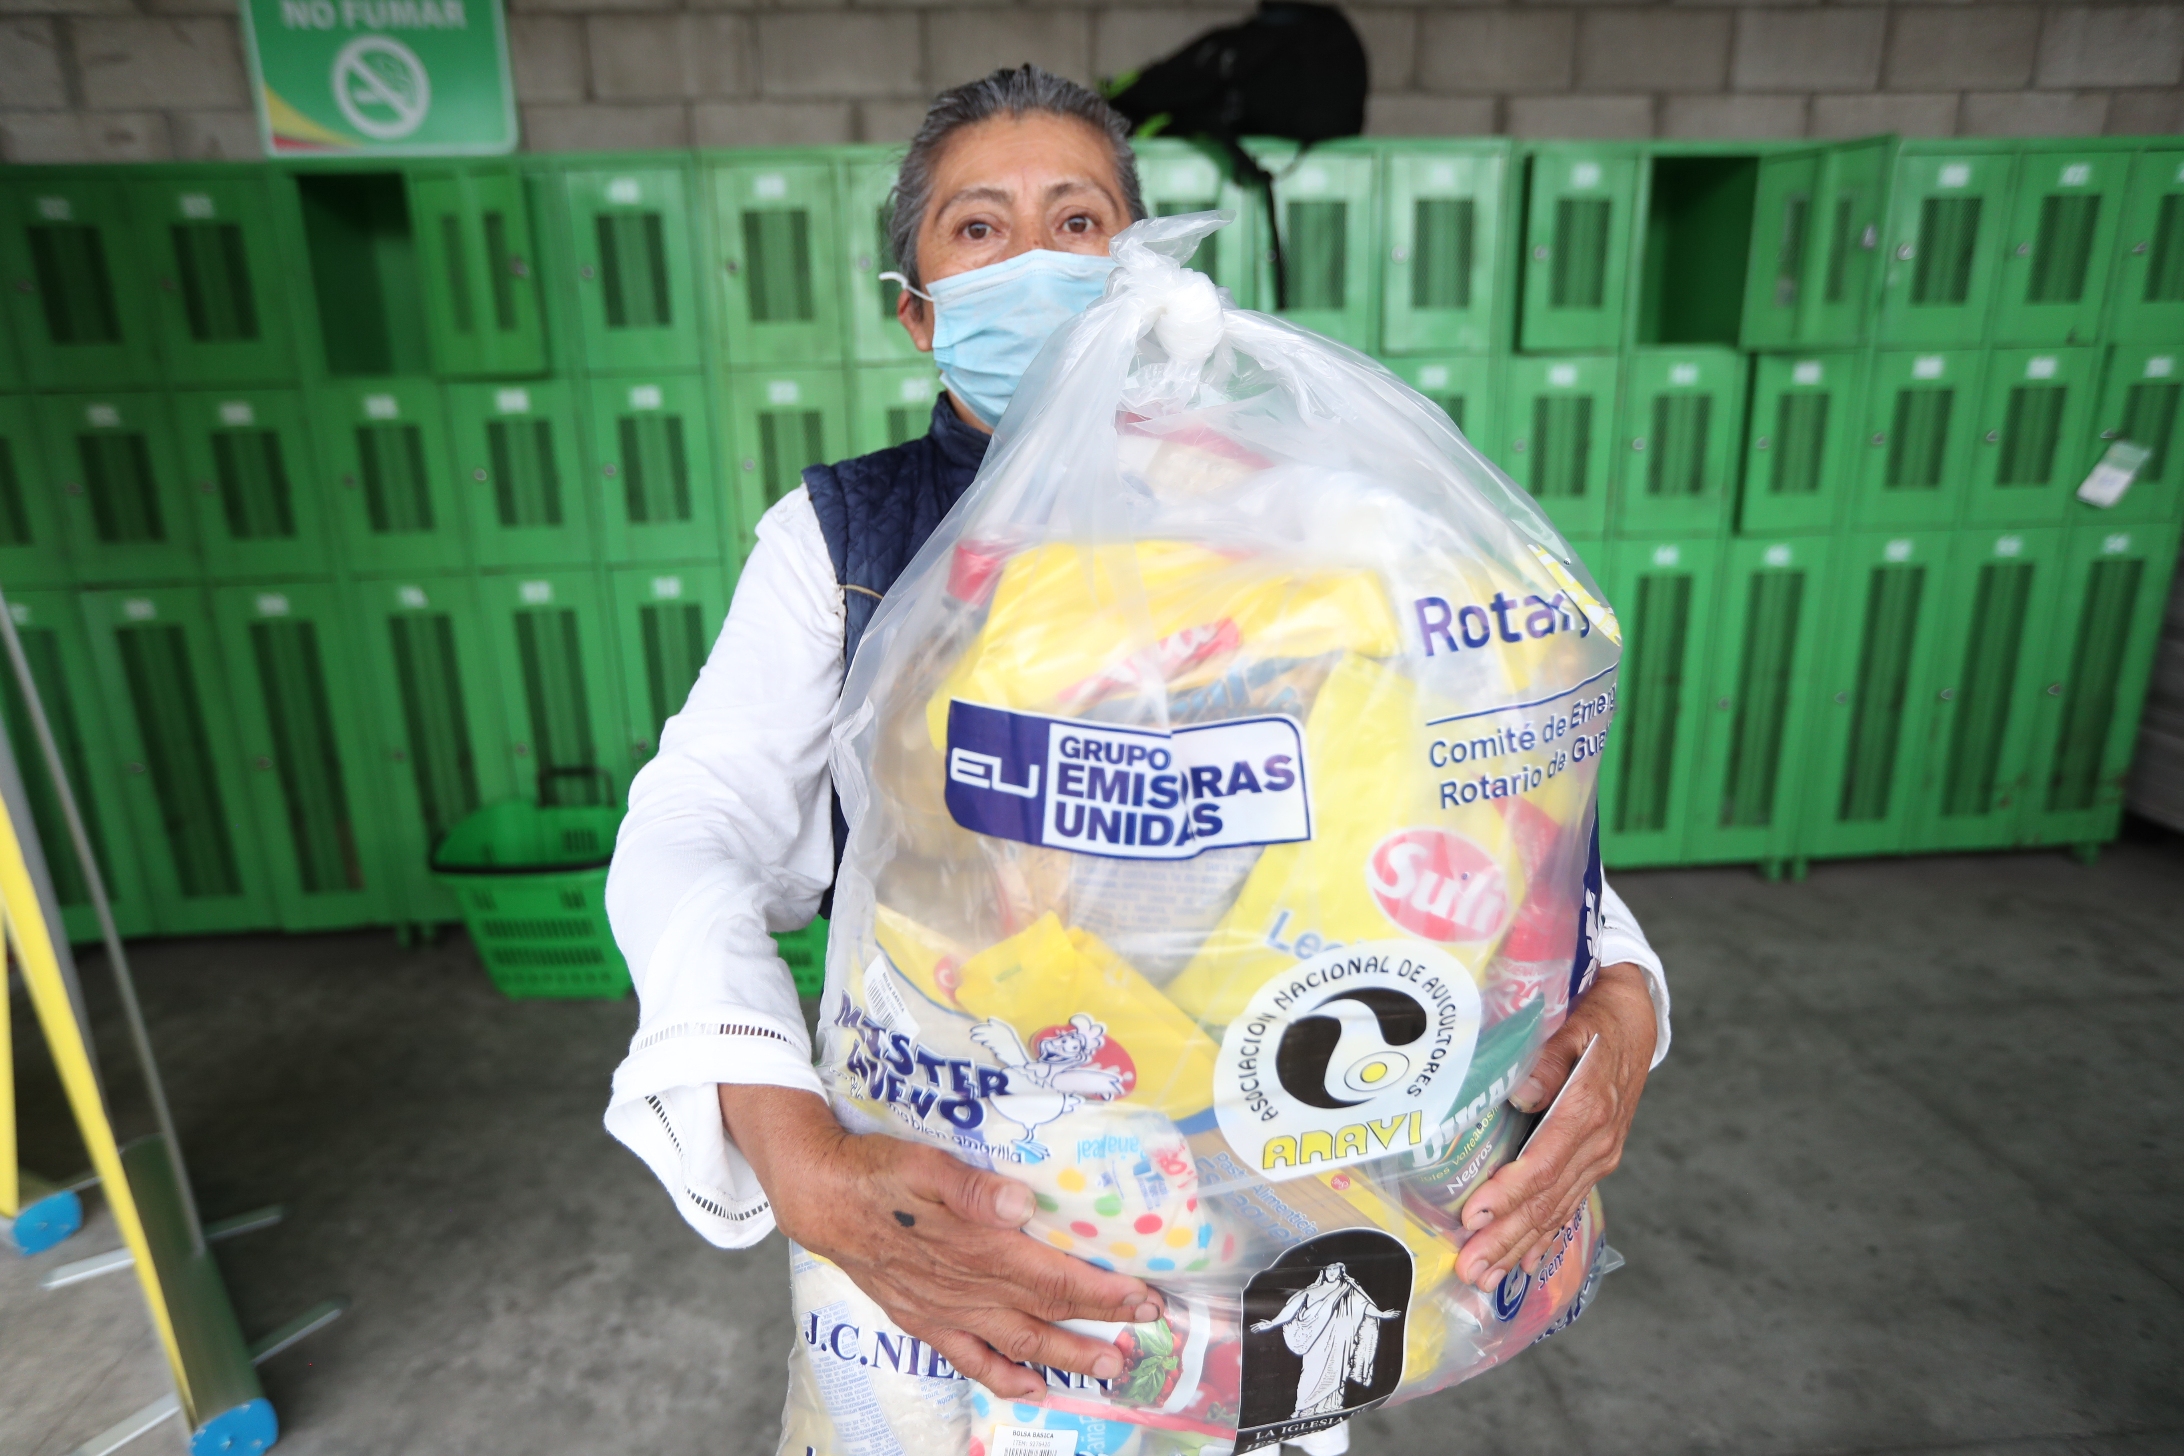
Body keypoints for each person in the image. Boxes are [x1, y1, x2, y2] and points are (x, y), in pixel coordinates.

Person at [604, 62, 1672, 1424]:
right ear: (916, 307)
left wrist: (1625, 991)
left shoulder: (1270, 535)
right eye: (980, 229)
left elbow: (1452, 819)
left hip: (1248, 1220)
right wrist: (794, 1146)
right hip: (944, 1229)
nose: (1035, 259)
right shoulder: (847, 538)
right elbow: (694, 823)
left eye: (1080, 221)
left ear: (1141, 275)